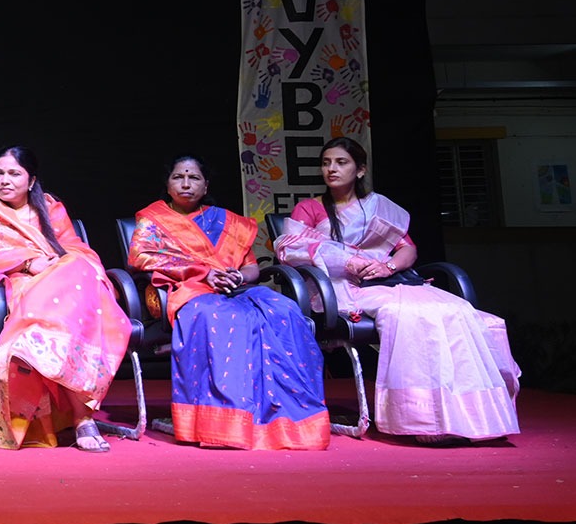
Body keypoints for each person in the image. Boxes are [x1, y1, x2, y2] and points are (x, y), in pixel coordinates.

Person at [276, 136, 520, 442]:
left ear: (360, 169)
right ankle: (423, 420)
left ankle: (471, 416)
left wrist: (387, 267)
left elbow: (408, 249)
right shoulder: (310, 208)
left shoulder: (380, 209)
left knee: (455, 309)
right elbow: (291, 248)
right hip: (340, 287)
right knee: (403, 314)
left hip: (385, 281)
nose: (331, 169)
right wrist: (348, 260)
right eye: (326, 163)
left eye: (341, 162)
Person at [128, 156, 329, 449]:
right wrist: (203, 273)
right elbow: (142, 257)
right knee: (224, 318)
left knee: (283, 310)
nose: (186, 184)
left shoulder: (227, 222)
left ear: (206, 185)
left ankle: (288, 417)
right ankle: (226, 422)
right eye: (178, 177)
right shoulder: (154, 219)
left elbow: (252, 268)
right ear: (168, 185)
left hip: (236, 289)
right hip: (189, 289)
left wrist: (237, 275)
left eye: (194, 178)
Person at [0, 146, 132, 452]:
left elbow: (75, 249)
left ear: (31, 181)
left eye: (14, 173)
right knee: (65, 306)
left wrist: (56, 264)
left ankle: (80, 415)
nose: (5, 180)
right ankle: (82, 419)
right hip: (22, 285)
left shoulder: (51, 208)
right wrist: (30, 262)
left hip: (65, 285)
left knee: (78, 267)